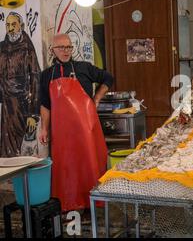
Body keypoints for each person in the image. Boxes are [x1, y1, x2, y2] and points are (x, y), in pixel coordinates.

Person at [39, 33, 113, 212]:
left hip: (86, 131)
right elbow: (45, 105)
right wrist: (44, 129)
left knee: (89, 166)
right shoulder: (46, 75)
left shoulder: (84, 68)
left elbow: (108, 78)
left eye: (69, 47)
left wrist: (97, 97)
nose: (66, 51)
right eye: (62, 47)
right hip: (62, 133)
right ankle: (68, 204)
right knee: (66, 169)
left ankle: (93, 202)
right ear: (53, 50)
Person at [0, 12, 41, 157]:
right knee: (7, 153)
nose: (10, 28)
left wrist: (33, 114)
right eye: (7, 25)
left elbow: (35, 79)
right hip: (5, 109)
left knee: (24, 154)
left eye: (14, 24)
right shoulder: (1, 48)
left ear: (21, 26)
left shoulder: (27, 48)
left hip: (23, 107)